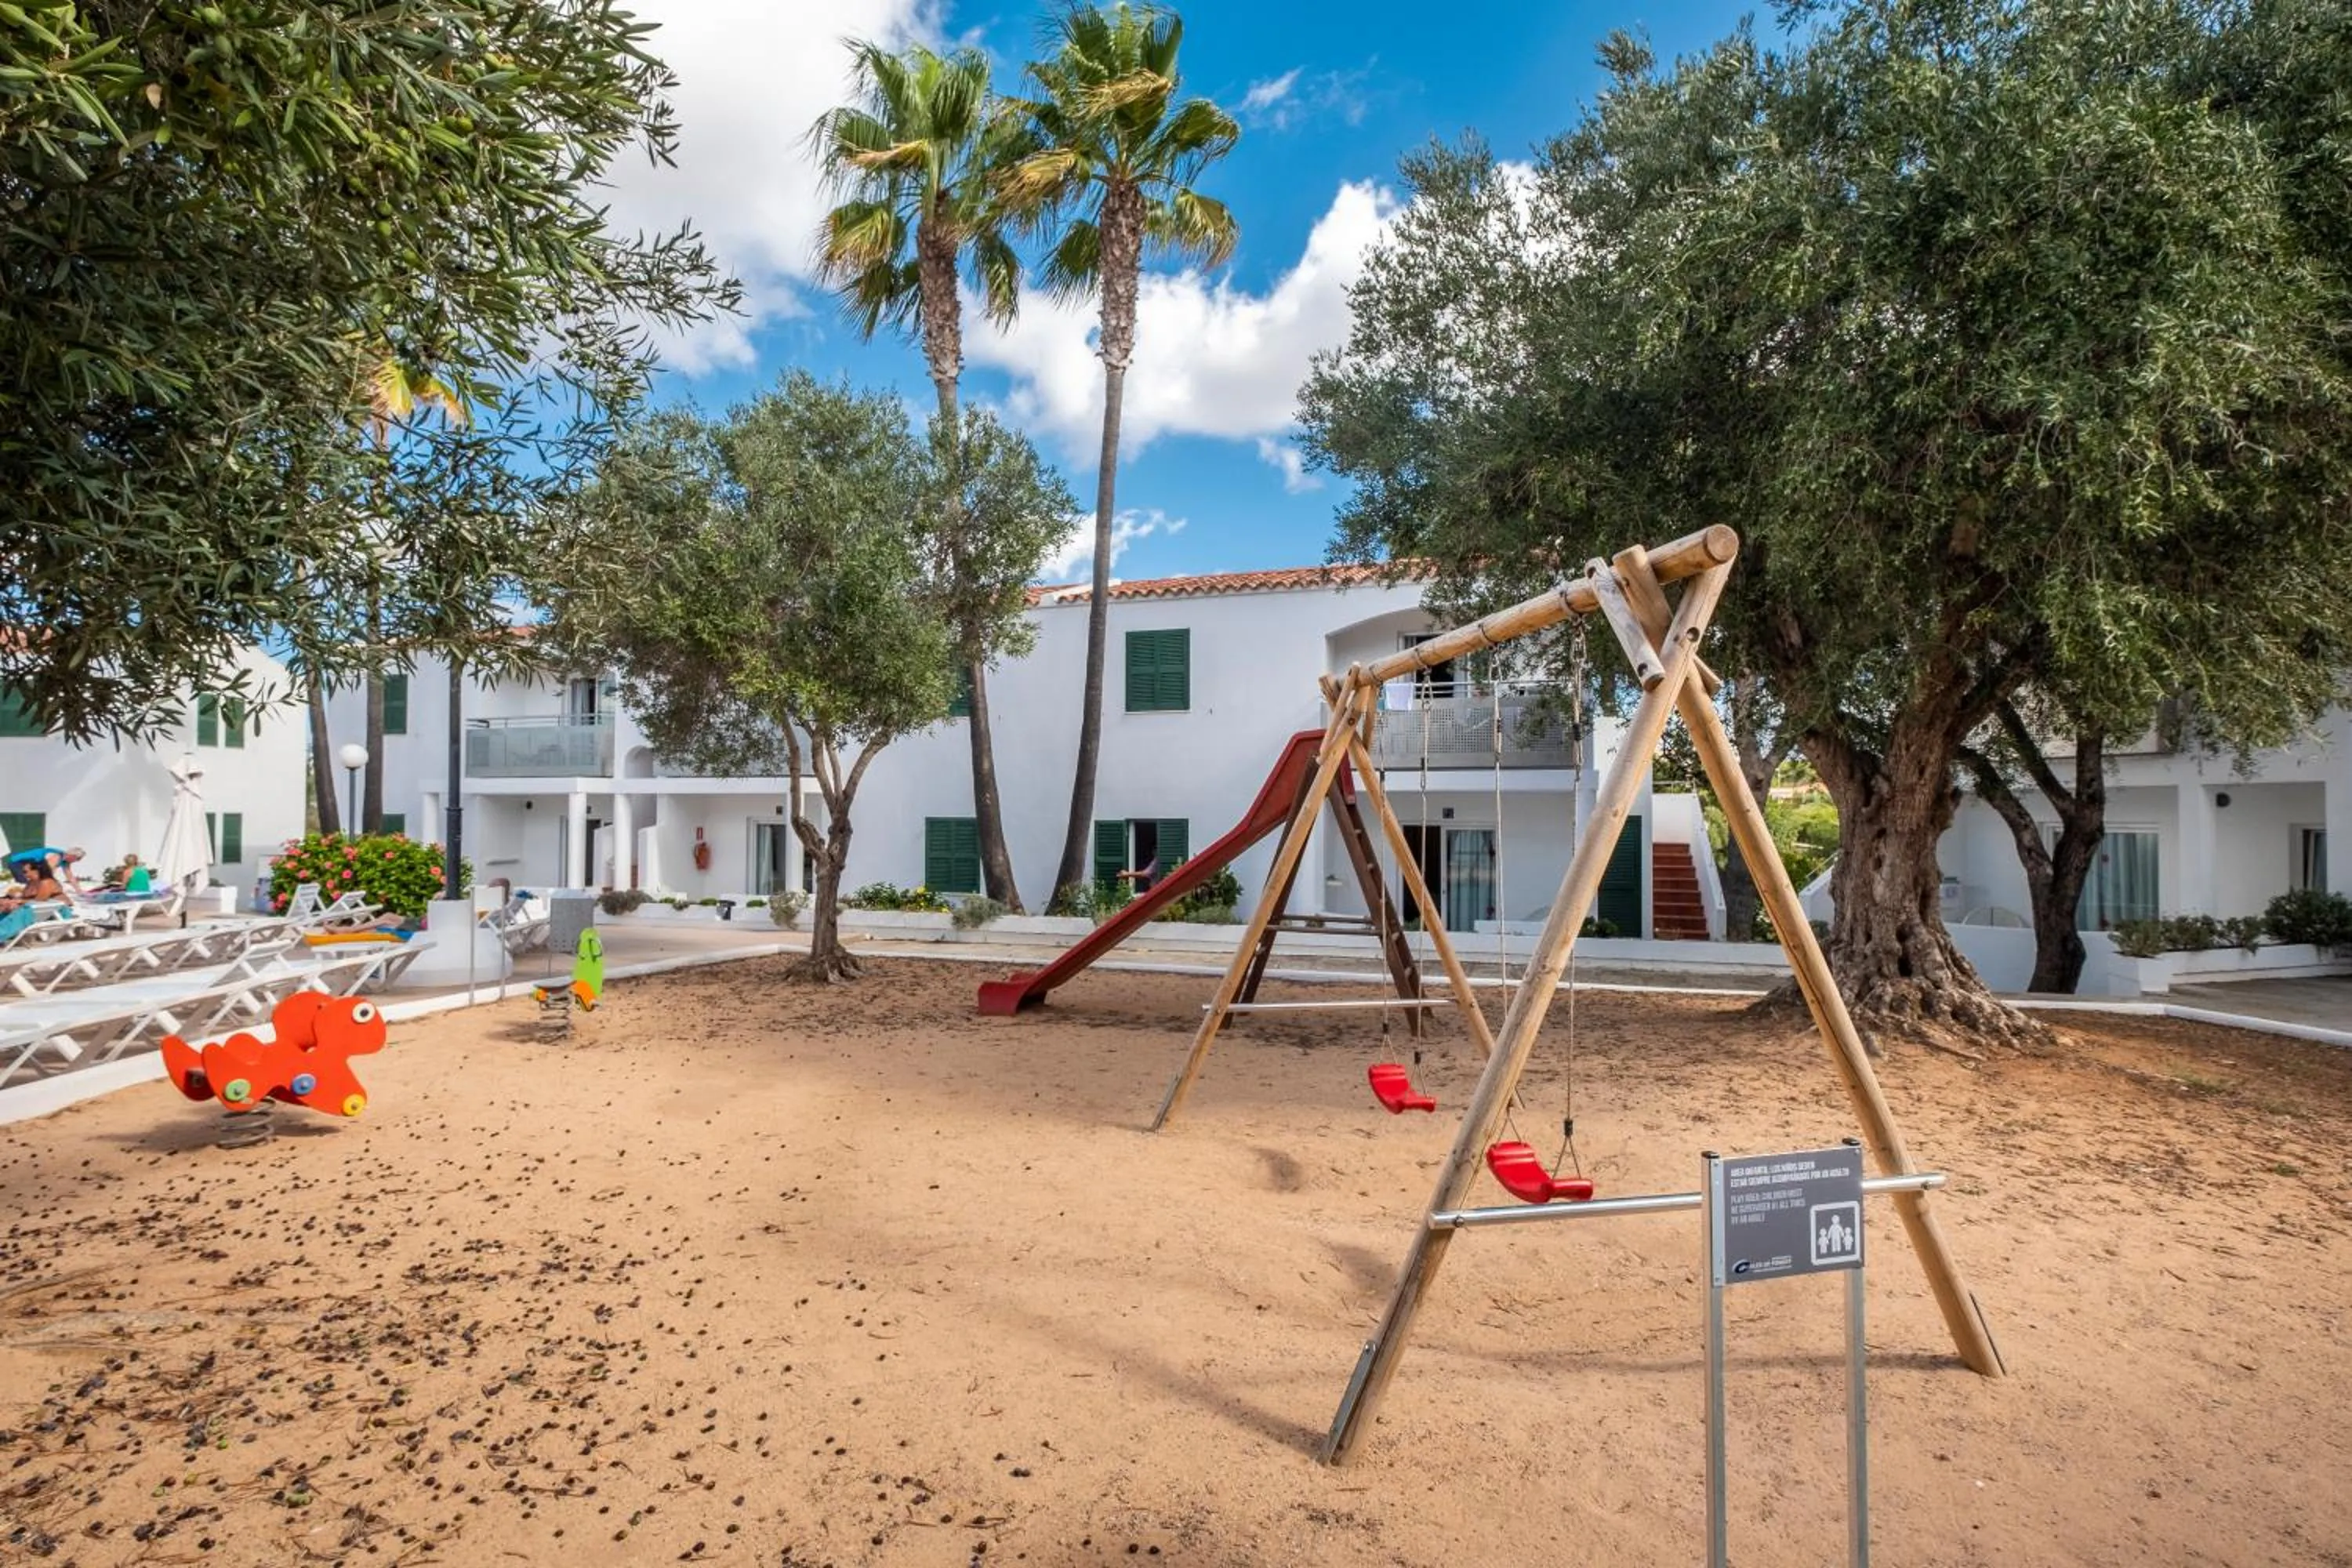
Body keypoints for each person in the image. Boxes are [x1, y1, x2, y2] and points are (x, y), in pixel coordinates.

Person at [5, 844, 84, 901]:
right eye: (77, 859)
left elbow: (70, 877)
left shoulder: (66, 861)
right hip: (18, 862)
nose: (77, 861)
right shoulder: (57, 856)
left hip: (31, 865)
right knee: (24, 884)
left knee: (35, 885)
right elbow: (48, 871)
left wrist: (79, 891)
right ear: (72, 856)